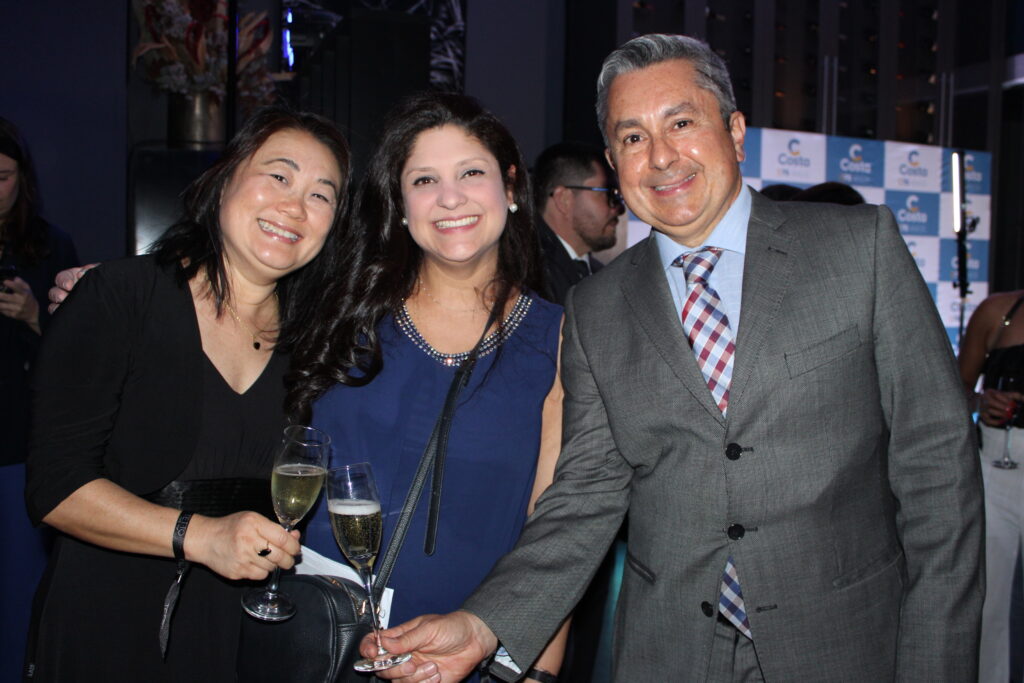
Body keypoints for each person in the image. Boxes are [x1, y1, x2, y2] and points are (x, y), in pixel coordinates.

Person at [366, 33, 983, 683]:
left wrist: (935, 664)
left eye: (681, 123)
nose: (661, 156)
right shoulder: (596, 309)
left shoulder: (861, 250)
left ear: (736, 131)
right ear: (612, 161)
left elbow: (939, 472)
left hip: (848, 646)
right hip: (671, 654)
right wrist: (484, 621)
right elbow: (584, 497)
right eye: (632, 138)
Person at [23, 106, 350, 681]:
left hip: (241, 630)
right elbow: (54, 489)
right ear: (225, 178)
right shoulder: (123, 296)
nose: (295, 206)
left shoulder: (313, 344)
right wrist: (199, 536)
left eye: (322, 195)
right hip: (111, 620)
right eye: (279, 175)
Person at [288, 92, 568, 683]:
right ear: (400, 203)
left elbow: (558, 520)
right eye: (424, 180)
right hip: (318, 644)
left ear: (511, 189)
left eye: (471, 173)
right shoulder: (341, 311)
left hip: (469, 661)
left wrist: (537, 671)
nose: (450, 198)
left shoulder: (561, 340)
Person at [0, 116, 79, 679]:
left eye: (1, 176)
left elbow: (81, 356)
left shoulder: (50, 246)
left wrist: (33, 316)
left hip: (17, 441)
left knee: (17, 587)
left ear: (21, 179)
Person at [959, 289, 1024, 683]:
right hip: (997, 467)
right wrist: (983, 402)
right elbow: (955, 386)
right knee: (990, 600)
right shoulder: (998, 312)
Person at [532, 142, 624, 305]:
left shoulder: (601, 276)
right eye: (608, 193)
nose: (619, 208)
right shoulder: (527, 276)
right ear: (564, 199)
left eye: (617, 196)